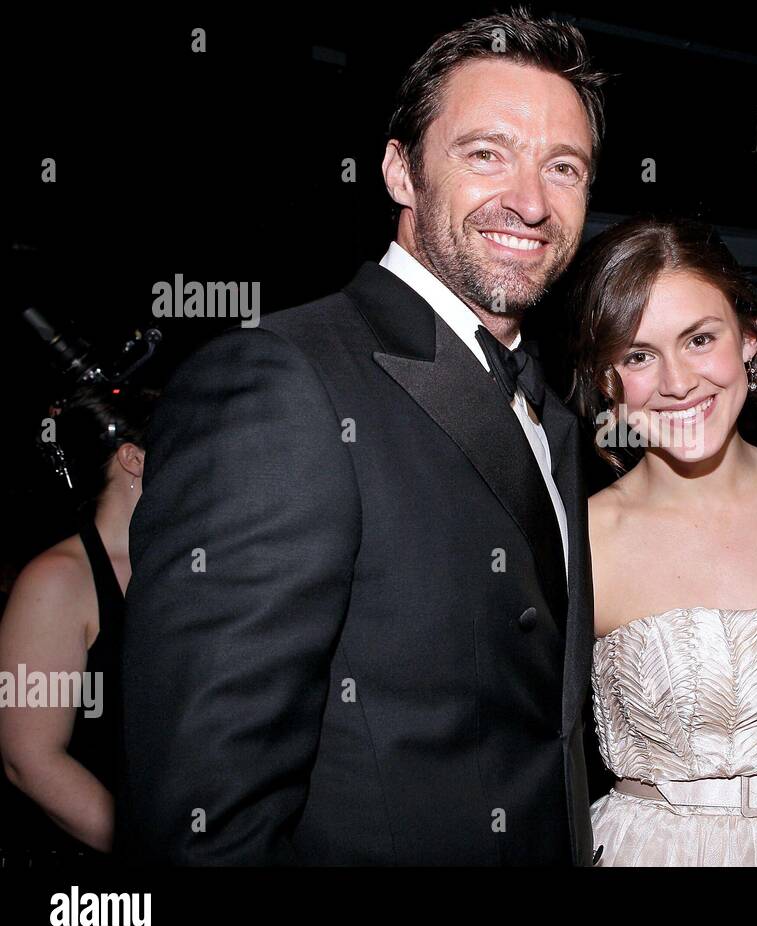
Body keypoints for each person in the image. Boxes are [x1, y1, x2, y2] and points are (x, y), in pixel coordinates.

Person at [116, 10, 607, 864]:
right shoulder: (280, 383)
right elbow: (203, 814)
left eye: (562, 167)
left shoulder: (555, 417)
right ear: (400, 171)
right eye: (485, 153)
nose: (529, 201)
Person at [570, 216, 757, 865]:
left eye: (700, 339)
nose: (677, 382)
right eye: (639, 355)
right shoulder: (581, 540)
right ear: (607, 380)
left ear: (748, 338)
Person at [0, 386, 154, 864]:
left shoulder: (180, 564)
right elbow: (31, 760)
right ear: (134, 460)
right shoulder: (57, 579)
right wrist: (148, 850)